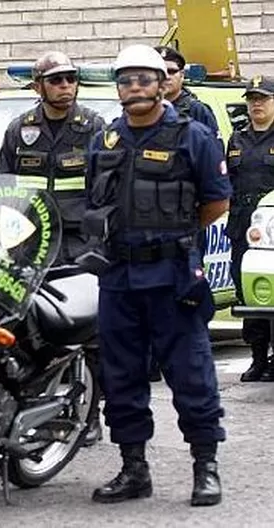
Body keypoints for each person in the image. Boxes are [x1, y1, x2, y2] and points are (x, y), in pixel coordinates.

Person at [83, 44, 228, 507]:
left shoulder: (192, 136)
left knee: (191, 373)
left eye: (145, 78)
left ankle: (205, 467)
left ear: (162, 83)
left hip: (172, 275)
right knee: (121, 376)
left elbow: (216, 201)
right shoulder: (104, 141)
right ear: (118, 88)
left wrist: (171, 236)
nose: (136, 87)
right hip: (118, 276)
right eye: (126, 80)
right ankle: (134, 469)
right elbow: (95, 199)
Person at [0, 50, 107, 446]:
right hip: (33, 244)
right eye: (56, 80)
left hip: (79, 243)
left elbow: (106, 186)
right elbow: (7, 190)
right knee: (28, 328)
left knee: (86, 332)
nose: (65, 86)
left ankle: (90, 413)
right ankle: (33, 406)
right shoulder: (18, 130)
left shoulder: (94, 127)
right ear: (38, 86)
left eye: (70, 79)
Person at [148, 46, 223, 383]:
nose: (165, 78)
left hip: (185, 222)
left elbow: (213, 179)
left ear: (182, 74)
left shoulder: (197, 112)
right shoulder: (136, 113)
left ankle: (188, 359)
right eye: (158, 71)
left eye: (171, 71)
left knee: (186, 291)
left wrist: (191, 221)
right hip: (147, 222)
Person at [226, 75, 274, 382]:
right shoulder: (237, 138)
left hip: (271, 227)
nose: (256, 104)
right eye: (252, 99)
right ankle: (257, 357)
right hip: (243, 224)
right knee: (247, 295)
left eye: (263, 99)